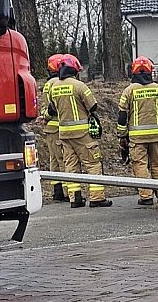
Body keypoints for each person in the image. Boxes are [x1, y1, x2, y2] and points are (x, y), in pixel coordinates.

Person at [48, 54, 112, 208]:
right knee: (93, 163)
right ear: (75, 69)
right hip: (83, 134)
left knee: (70, 166)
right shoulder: (79, 86)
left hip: (64, 133)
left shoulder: (53, 87)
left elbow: (51, 110)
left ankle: (75, 199)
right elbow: (93, 106)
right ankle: (97, 198)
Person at [117, 57, 158, 205]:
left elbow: (122, 116)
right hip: (156, 135)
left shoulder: (129, 91)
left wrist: (122, 136)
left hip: (136, 138)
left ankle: (146, 196)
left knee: (140, 165)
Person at [41, 53, 68, 201]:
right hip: (59, 126)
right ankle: (67, 192)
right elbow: (55, 107)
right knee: (63, 160)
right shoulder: (58, 83)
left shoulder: (47, 85)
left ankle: (57, 191)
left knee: (54, 160)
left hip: (50, 128)